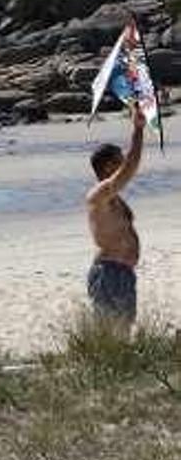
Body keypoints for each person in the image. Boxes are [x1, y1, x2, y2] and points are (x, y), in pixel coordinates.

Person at [86, 101, 146, 332]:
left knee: (122, 332)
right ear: (108, 167)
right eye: (118, 161)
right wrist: (138, 130)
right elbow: (130, 168)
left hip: (122, 272)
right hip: (109, 272)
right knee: (110, 335)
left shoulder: (113, 198)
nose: (123, 164)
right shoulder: (98, 194)